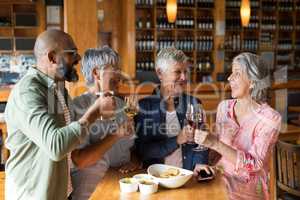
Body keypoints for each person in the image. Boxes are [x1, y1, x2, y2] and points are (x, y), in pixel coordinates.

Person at [4, 30, 116, 200]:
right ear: (52, 57)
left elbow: (69, 141)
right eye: (72, 54)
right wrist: (93, 113)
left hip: (62, 191)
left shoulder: (59, 89)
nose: (78, 59)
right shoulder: (27, 93)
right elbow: (56, 146)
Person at [194, 52, 281, 200]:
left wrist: (215, 143)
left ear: (253, 82)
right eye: (231, 73)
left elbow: (254, 163)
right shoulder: (224, 107)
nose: (229, 78)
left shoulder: (270, 118)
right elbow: (217, 153)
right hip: (219, 179)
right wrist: (203, 162)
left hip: (248, 190)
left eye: (237, 74)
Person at [71, 47, 140, 200]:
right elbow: (80, 160)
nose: (120, 77)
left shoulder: (123, 105)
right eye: (115, 70)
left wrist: (134, 162)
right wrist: (116, 134)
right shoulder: (77, 107)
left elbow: (132, 150)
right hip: (92, 193)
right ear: (97, 73)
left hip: (124, 191)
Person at [135, 47, 209, 170]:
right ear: (160, 73)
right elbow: (143, 152)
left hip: (189, 178)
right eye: (178, 72)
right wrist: (176, 140)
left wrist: (199, 164)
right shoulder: (144, 107)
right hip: (156, 180)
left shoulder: (194, 103)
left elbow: (201, 144)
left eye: (186, 72)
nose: (184, 78)